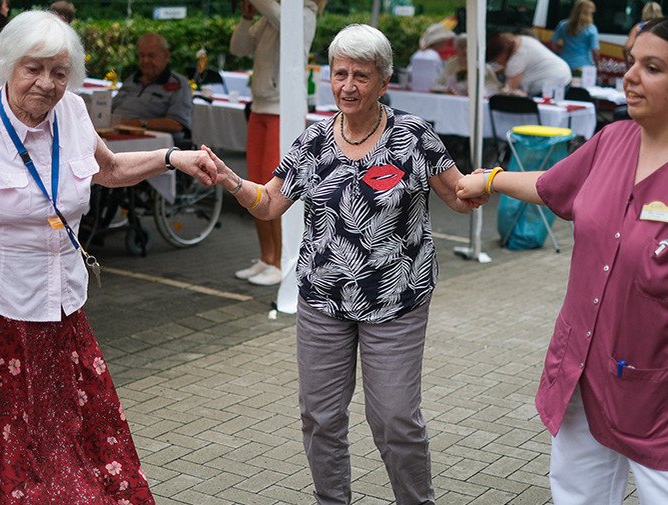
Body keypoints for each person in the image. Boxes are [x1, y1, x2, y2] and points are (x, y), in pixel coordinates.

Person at [0, 11, 218, 503]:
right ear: (7, 65)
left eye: (59, 73)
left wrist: (171, 158)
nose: (46, 84)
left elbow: (108, 170)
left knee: (84, 436)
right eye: (33, 69)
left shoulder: (74, 113)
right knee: (15, 452)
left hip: (60, 303)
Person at [458, 17, 668, 503]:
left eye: (651, 67)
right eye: (632, 61)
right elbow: (553, 186)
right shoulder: (613, 141)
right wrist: (488, 180)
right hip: (583, 382)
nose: (629, 76)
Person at [207, 23, 485, 504]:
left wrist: (492, 183)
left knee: (395, 418)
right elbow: (270, 203)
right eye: (340, 74)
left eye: (361, 75)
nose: (348, 86)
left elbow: (457, 196)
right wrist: (232, 180)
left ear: (383, 81)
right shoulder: (314, 142)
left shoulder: (414, 136)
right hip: (322, 300)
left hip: (396, 300)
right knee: (320, 416)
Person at [228, 0, 325, 286]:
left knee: (277, 189)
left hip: (283, 110)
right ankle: (267, 257)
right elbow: (237, 48)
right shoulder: (272, 15)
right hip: (260, 108)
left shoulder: (304, 14)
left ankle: (282, 260)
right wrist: (246, 18)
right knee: (255, 187)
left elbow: (280, 16)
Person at [111, 33, 193, 142]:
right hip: (115, 133)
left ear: (166, 56)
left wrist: (139, 124)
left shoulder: (179, 84)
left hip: (148, 142)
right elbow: (110, 108)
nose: (145, 61)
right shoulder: (132, 79)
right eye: (141, 55)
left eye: (151, 56)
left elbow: (177, 124)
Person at [487, 32, 571, 96]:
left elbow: (511, 90)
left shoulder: (516, 60)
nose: (497, 63)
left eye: (495, 59)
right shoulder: (524, 40)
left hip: (549, 83)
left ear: (501, 53)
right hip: (564, 75)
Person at [434, 33, 501, 96]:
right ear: (456, 49)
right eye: (461, 46)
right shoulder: (451, 65)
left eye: (468, 46)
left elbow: (495, 88)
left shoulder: (484, 67)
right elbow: (440, 84)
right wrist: (447, 90)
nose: (465, 50)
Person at [550, 0, 599, 71]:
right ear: (588, 13)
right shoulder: (591, 28)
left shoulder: (563, 24)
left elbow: (553, 43)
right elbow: (595, 51)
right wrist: (597, 64)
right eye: (592, 13)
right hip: (583, 66)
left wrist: (560, 52)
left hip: (565, 64)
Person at [407, 23, 455, 92]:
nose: (446, 43)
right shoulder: (433, 56)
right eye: (444, 40)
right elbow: (438, 81)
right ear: (439, 42)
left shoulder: (417, 54)